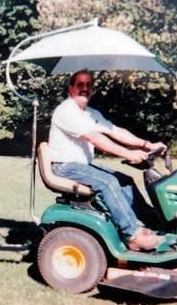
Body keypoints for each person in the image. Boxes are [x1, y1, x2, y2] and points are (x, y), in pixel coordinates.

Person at [48, 69, 166, 251]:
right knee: (108, 182)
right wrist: (128, 153)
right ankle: (132, 235)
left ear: (93, 89)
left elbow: (116, 131)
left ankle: (151, 223)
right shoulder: (66, 111)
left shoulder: (90, 113)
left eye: (89, 85)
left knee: (125, 181)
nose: (85, 89)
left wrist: (146, 144)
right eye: (80, 84)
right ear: (70, 88)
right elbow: (96, 138)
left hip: (80, 165)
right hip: (64, 166)